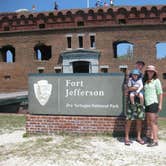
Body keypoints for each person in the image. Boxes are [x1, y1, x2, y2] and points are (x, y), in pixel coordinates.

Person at [124, 61, 145, 146]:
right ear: (136, 65)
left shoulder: (143, 76)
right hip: (131, 100)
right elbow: (126, 88)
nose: (140, 66)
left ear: (143, 66)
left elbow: (143, 86)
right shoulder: (130, 75)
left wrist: (136, 88)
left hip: (139, 100)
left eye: (141, 65)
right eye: (138, 64)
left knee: (139, 119)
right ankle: (126, 138)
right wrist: (133, 88)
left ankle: (138, 137)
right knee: (129, 119)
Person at [143, 65, 163, 147]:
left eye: (152, 71)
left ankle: (155, 140)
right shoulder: (145, 81)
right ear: (146, 72)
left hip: (153, 103)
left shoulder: (156, 81)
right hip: (146, 103)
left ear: (154, 72)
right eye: (148, 71)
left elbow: (160, 93)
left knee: (153, 122)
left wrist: (160, 104)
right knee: (148, 122)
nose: (150, 72)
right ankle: (151, 137)